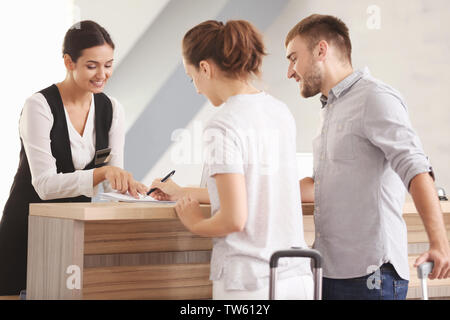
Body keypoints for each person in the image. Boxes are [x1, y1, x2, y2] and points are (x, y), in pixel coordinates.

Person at [285, 14, 450, 300]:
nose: (290, 72)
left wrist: (439, 243)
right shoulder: (330, 110)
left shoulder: (374, 97)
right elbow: (323, 184)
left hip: (372, 276)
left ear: (321, 50)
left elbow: (416, 169)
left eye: (293, 58)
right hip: (331, 271)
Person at [150, 20, 313, 300]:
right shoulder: (279, 111)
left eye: (192, 78)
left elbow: (234, 218)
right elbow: (253, 191)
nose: (198, 89)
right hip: (297, 277)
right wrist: (180, 192)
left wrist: (195, 223)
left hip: (250, 283)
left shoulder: (222, 124)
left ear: (205, 68)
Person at [0, 20, 148, 296]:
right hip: (28, 230)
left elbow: (111, 176)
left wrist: (128, 184)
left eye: (108, 64)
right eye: (92, 65)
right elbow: (44, 185)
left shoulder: (111, 108)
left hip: (74, 232)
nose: (102, 74)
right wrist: (102, 174)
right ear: (69, 62)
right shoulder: (40, 106)